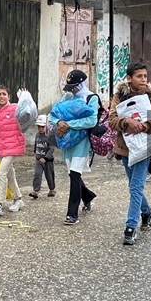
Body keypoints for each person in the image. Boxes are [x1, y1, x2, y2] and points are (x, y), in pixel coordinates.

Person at [108, 62, 151, 246]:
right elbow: (111, 120)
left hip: (145, 148)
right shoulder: (118, 96)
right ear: (129, 78)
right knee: (134, 186)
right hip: (125, 148)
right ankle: (147, 211)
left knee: (135, 187)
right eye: (139, 76)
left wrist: (144, 126)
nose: (143, 79)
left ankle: (130, 227)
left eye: (145, 76)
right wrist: (126, 121)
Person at [56, 69, 99, 225]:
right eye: (71, 87)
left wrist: (69, 124)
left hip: (82, 143)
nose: (73, 90)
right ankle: (87, 196)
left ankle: (72, 214)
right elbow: (55, 113)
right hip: (68, 143)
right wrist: (58, 122)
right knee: (73, 175)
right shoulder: (67, 97)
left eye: (75, 86)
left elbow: (91, 120)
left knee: (74, 175)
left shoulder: (91, 98)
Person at [0, 86, 26, 216]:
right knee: (9, 174)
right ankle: (18, 199)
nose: (1, 96)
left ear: (9, 96)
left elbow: (28, 114)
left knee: (1, 173)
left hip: (13, 145)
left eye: (4, 94)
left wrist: (25, 97)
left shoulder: (16, 108)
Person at [29, 114, 56, 199]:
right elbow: (36, 143)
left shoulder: (50, 136)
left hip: (47, 160)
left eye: (42, 127)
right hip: (38, 159)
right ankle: (36, 191)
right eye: (39, 127)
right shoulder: (37, 135)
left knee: (49, 175)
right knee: (37, 174)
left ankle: (52, 189)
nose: (40, 129)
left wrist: (46, 158)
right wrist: (34, 151)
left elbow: (51, 148)